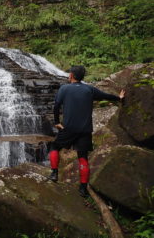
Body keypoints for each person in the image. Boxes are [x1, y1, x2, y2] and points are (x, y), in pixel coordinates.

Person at [48, 65, 125, 197]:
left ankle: (54, 173)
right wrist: (119, 98)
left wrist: (56, 122)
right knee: (83, 157)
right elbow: (105, 96)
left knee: (54, 146)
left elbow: (56, 107)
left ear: (71, 75)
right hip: (85, 130)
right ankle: (83, 189)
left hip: (69, 128)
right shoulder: (89, 89)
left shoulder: (64, 88)